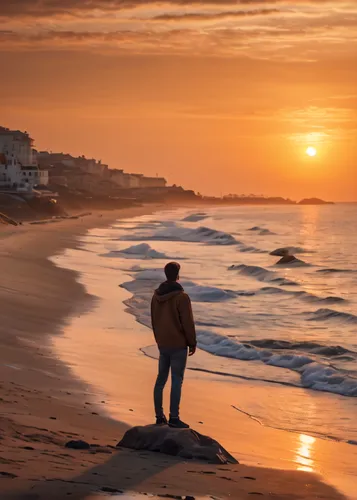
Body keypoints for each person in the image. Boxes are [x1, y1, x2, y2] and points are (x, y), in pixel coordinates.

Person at [151, 262, 196, 429]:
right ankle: (174, 417)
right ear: (178, 274)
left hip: (162, 342)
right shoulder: (181, 297)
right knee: (177, 379)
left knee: (160, 379)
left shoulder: (156, 296)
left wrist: (158, 339)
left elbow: (154, 320)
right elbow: (188, 323)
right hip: (178, 344)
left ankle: (158, 416)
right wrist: (192, 342)